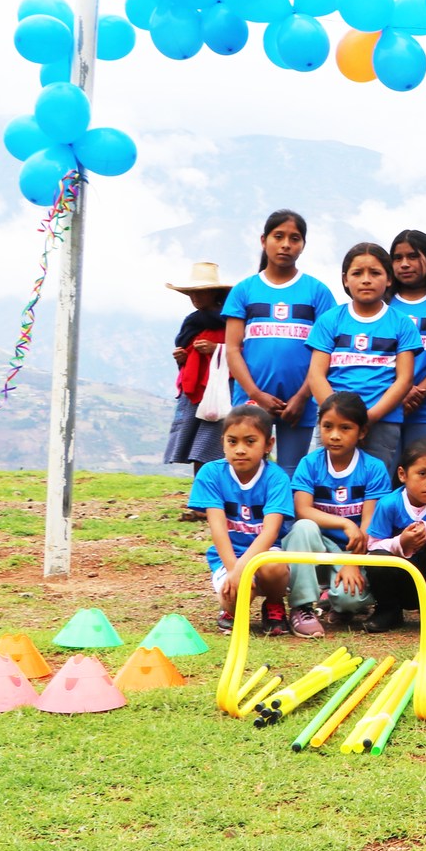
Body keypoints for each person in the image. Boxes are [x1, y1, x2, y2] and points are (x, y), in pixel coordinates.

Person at [222, 210, 336, 472]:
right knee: (247, 466)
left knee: (290, 470)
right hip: (251, 400)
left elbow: (325, 353)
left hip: (300, 402)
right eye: (278, 236)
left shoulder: (317, 292)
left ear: (303, 245)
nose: (286, 244)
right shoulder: (245, 290)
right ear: (264, 240)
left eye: (294, 238)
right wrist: (256, 394)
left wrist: (302, 396)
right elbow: (233, 349)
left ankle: (285, 515)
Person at [283, 390, 392, 636]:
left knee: (349, 601)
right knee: (303, 527)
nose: (334, 435)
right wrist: (344, 523)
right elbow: (302, 509)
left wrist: (353, 562)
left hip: (352, 552)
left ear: (361, 432)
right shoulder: (310, 464)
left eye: (345, 428)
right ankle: (301, 606)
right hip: (316, 547)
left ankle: (337, 600)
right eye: (327, 426)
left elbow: (369, 524)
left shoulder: (373, 468)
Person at [304, 243, 418, 466]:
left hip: (382, 421)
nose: (366, 279)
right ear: (346, 279)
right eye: (357, 273)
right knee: (328, 486)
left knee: (374, 489)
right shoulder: (329, 320)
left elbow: (404, 380)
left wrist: (369, 418)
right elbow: (316, 375)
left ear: (389, 279)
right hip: (333, 424)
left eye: (375, 273)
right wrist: (338, 417)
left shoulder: (402, 324)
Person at [190, 403, 295, 635]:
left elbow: (270, 533)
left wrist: (242, 569)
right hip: (227, 557)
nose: (240, 449)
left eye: (250, 441)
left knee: (274, 567)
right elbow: (218, 529)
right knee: (236, 596)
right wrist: (234, 570)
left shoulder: (276, 478)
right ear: (223, 443)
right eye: (232, 441)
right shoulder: (211, 474)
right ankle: (230, 610)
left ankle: (275, 603)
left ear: (268, 444)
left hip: (265, 552)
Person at [355, 439, 426, 633]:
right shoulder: (389, 504)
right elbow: (372, 545)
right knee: (378, 559)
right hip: (397, 581)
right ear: (403, 474)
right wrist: (400, 542)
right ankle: (388, 611)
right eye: (423, 474)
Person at [161, 263, 230, 493]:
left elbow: (241, 352)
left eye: (201, 291)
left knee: (210, 445)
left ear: (214, 293)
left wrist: (216, 349)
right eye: (192, 292)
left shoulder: (231, 321)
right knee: (197, 446)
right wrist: (182, 357)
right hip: (195, 393)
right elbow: (187, 353)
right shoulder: (192, 323)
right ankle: (201, 497)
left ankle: (208, 498)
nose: (195, 297)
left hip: (220, 392)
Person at [387, 231, 426, 461]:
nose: (404, 264)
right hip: (385, 407)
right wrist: (399, 392)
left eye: (413, 256)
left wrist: (419, 392)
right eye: (397, 258)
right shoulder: (382, 304)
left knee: (424, 479)